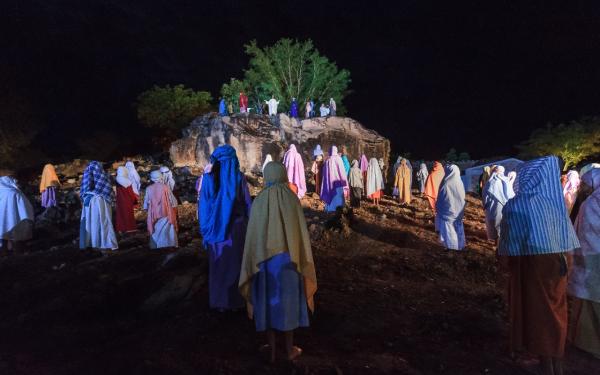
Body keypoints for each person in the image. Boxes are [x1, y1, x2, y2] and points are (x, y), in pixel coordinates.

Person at [498, 156, 579, 375]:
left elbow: (508, 243)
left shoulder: (517, 204)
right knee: (556, 310)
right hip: (559, 262)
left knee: (537, 312)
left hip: (532, 264)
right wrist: (568, 265)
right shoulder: (556, 204)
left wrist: (505, 263)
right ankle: (556, 363)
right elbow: (570, 241)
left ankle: (545, 365)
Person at [239, 161, 317, 362]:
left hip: (263, 262)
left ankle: (272, 350)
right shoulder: (292, 199)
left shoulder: (259, 201)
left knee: (267, 301)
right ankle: (289, 349)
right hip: (288, 261)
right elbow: (299, 234)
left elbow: (254, 235)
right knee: (288, 302)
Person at [199, 145, 251, 310]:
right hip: (236, 230)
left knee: (218, 265)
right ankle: (237, 301)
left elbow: (204, 206)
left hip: (215, 230)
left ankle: (220, 302)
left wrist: (206, 230)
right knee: (235, 264)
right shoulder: (239, 178)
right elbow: (247, 203)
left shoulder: (208, 178)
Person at [568, 169, 600, 359]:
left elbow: (584, 232)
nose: (583, 188)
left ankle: (589, 345)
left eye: (585, 184)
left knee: (590, 301)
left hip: (591, 261)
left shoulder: (591, 204)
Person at [79, 161, 118, 251]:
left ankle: (91, 242)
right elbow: (108, 192)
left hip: (88, 200)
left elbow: (84, 189)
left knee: (90, 222)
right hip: (100, 201)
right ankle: (104, 242)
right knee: (103, 221)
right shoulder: (103, 177)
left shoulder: (87, 175)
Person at [144, 170, 178, 249]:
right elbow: (171, 199)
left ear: (152, 178)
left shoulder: (149, 188)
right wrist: (174, 206)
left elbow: (146, 201)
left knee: (155, 229)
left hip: (154, 213)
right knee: (168, 228)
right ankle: (168, 243)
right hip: (165, 211)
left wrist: (146, 208)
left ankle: (156, 245)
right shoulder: (165, 187)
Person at [435, 164, 466, 250]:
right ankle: (460, 245)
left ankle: (451, 246)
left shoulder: (445, 182)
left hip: (447, 211)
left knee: (449, 230)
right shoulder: (460, 182)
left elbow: (442, 197)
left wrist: (438, 206)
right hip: (458, 211)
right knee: (457, 227)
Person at [0, 176, 34, 252]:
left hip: (2, 223)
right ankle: (17, 253)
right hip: (15, 221)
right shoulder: (16, 193)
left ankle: (4, 253)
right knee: (15, 239)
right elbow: (25, 207)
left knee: (3, 238)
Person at [482, 166, 514, 242]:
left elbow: (485, 195)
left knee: (495, 225)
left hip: (493, 207)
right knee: (503, 225)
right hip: (506, 207)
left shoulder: (490, 182)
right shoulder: (506, 181)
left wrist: (485, 205)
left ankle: (497, 243)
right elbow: (512, 194)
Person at [320, 146, 349, 212]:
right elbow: (342, 171)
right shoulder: (338, 159)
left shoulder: (328, 160)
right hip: (338, 183)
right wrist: (344, 182)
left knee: (331, 195)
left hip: (330, 183)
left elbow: (324, 174)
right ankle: (340, 210)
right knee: (339, 197)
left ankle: (330, 209)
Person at [115, 166, 139, 234]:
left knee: (120, 214)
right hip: (127, 201)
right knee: (128, 214)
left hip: (120, 201)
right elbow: (130, 193)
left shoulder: (117, 179)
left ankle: (120, 228)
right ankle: (129, 228)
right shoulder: (128, 181)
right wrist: (134, 200)